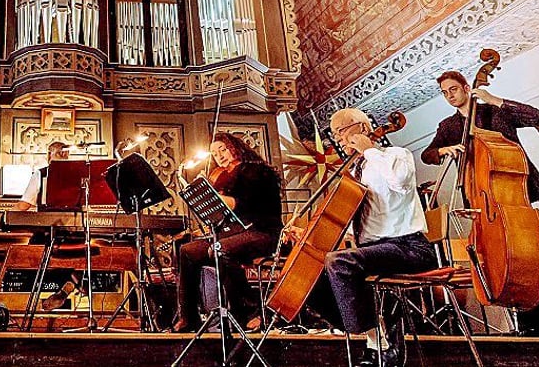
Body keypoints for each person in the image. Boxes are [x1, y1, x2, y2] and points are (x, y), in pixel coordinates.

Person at [422, 70, 539, 335]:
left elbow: (536, 117)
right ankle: (515, 321)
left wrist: (495, 99)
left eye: (454, 89)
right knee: (494, 260)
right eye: (445, 93)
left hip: (513, 197)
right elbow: (427, 154)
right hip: (481, 203)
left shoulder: (495, 112)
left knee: (528, 257)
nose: (450, 96)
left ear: (465, 87)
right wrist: (442, 150)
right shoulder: (448, 127)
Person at [304, 108, 437, 367]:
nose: (339, 140)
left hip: (409, 246)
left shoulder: (397, 155)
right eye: (334, 135)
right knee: (310, 280)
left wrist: (369, 150)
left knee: (339, 263)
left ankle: (376, 345)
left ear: (363, 127)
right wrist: (308, 232)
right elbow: (357, 222)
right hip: (375, 250)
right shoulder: (356, 173)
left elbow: (400, 182)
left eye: (341, 131)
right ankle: (377, 336)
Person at [172, 132, 282, 332]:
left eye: (222, 149)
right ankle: (188, 316)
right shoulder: (224, 177)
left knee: (220, 249)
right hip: (235, 233)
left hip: (262, 232)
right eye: (214, 153)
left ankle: (253, 311)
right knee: (187, 251)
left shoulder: (255, 171)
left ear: (235, 147)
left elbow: (235, 204)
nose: (219, 155)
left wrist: (207, 191)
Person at [13, 141, 70, 211]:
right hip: (73, 219)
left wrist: (5, 216)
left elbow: (24, 205)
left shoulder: (40, 174)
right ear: (67, 155)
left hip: (46, 218)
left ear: (49, 155)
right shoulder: (77, 174)